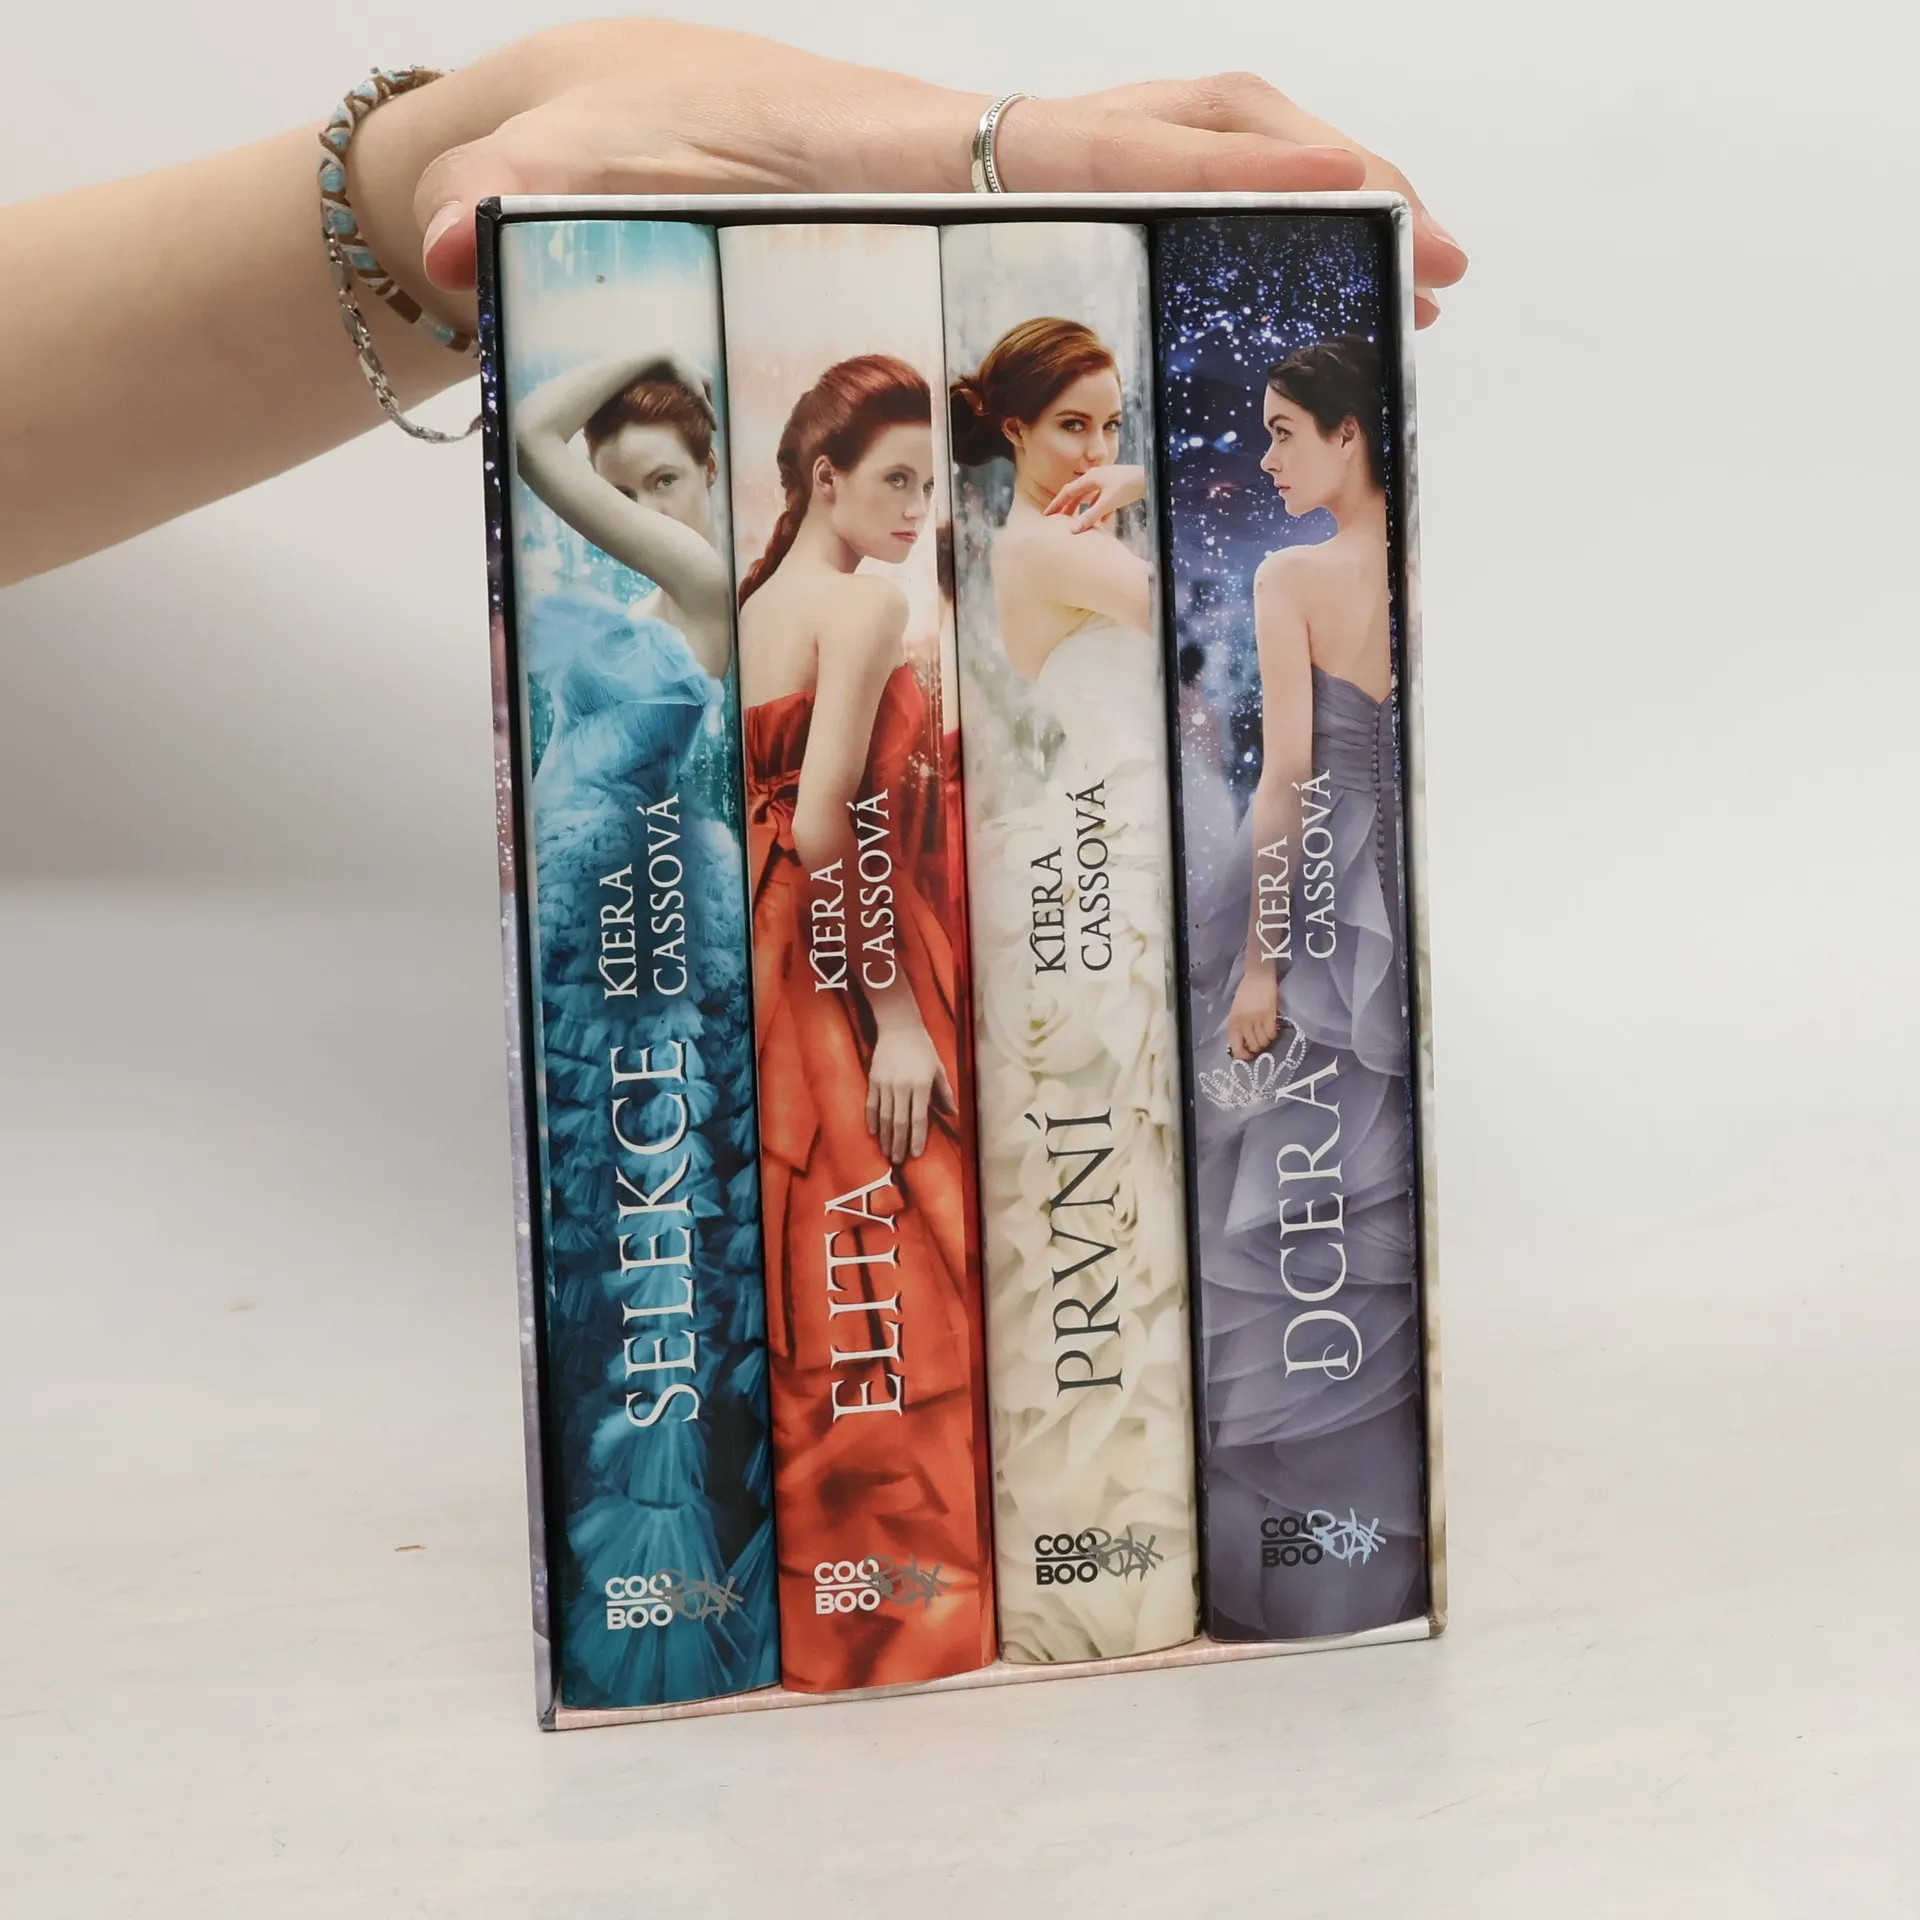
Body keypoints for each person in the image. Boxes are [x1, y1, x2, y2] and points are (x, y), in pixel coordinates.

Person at [0, 21, 1466, 588]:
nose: (1101, 449)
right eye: (1078, 424)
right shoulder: (746, 593)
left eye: (679, 474)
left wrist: (449, 162)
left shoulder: (894, 583)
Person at [737, 353, 987, 1689]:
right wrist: (892, 1013)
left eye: (928, 487)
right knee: (893, 1231)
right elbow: (831, 819)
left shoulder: (752, 603)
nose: (914, 509)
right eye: (896, 480)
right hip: (851, 945)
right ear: (824, 476)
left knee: (821, 1242)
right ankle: (904, 1601)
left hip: (776, 936)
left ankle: (835, 1591)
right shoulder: (864, 601)